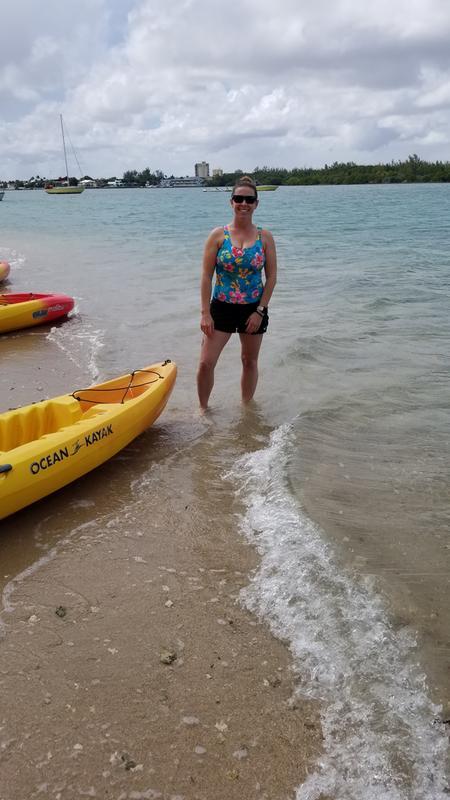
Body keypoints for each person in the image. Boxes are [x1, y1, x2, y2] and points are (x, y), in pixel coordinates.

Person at [197, 175, 277, 409]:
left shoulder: (265, 237)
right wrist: (205, 313)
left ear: (256, 204)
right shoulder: (218, 235)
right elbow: (205, 276)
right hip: (221, 307)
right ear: (231, 202)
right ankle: (203, 410)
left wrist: (260, 311)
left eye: (249, 199)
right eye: (238, 198)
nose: (244, 203)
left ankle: (247, 411)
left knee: (249, 361)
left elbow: (271, 277)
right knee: (206, 363)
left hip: (253, 310)